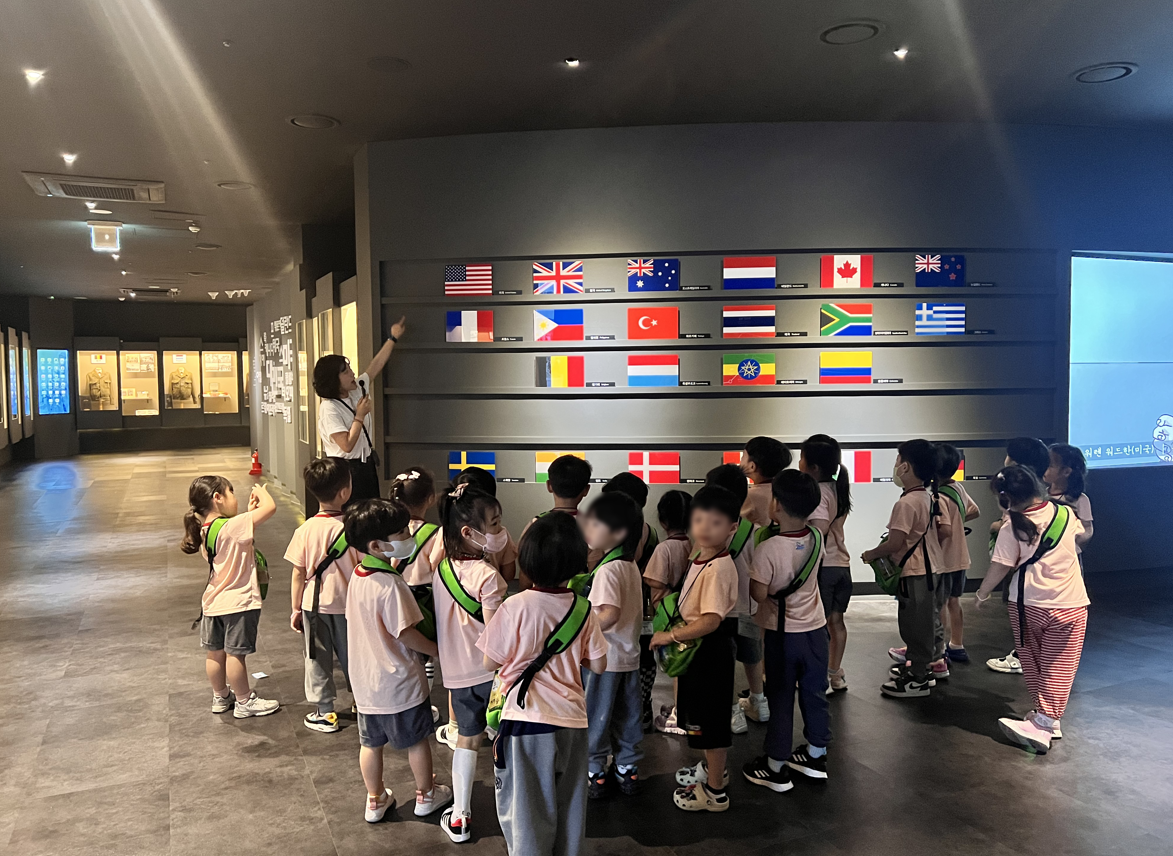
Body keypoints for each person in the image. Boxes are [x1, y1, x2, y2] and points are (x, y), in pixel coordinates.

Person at [478, 512, 608, 856]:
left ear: (527, 561)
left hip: (526, 721)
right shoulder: (583, 610)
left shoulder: (514, 606)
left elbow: (489, 661)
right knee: (570, 807)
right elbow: (599, 663)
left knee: (527, 811)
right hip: (572, 721)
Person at [344, 498, 453, 824]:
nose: (409, 535)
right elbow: (406, 633)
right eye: (402, 532)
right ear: (377, 545)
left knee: (370, 744)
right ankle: (426, 795)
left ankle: (375, 799)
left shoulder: (359, 575)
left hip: (366, 683)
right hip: (399, 682)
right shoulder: (390, 584)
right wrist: (437, 650)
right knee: (417, 741)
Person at [973, 466, 1088, 753]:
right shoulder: (1066, 514)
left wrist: (982, 593)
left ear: (1006, 498)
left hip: (1028, 604)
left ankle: (1043, 724)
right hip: (1071, 603)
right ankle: (1048, 717)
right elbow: (1079, 536)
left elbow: (1000, 566)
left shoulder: (1011, 527)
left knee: (1033, 661)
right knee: (1060, 665)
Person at [651, 485, 740, 813]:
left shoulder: (717, 568)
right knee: (702, 716)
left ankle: (715, 791)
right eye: (699, 519)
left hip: (709, 650)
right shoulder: (701, 556)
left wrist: (669, 636)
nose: (704, 528)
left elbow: (711, 621)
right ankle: (713, 770)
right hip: (699, 649)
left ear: (732, 528)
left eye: (715, 522)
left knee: (711, 723)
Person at [430, 483, 508, 842]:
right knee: (503, 738)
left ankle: (460, 816)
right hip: (490, 673)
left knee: (467, 738)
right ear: (468, 532)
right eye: (494, 524)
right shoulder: (489, 577)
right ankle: (512, 805)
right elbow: (495, 636)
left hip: (457, 674)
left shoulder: (441, 569)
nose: (500, 530)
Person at [743, 469, 829, 792]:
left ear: (776, 505)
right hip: (816, 631)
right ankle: (816, 755)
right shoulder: (817, 538)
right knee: (814, 693)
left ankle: (776, 767)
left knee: (780, 697)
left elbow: (759, 594)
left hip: (783, 635)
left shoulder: (768, 548)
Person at [181, 476, 281, 718]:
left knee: (215, 653)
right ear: (217, 498)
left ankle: (220, 696)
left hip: (213, 602)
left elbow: (238, 533)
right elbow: (270, 508)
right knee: (236, 655)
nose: (235, 497)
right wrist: (261, 491)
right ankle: (244, 701)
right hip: (238, 602)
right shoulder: (233, 526)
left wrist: (248, 512)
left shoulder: (205, 530)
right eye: (232, 492)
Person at [861, 439, 949, 698]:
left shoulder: (906, 503)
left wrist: (871, 554)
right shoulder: (928, 497)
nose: (896, 466)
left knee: (914, 625)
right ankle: (922, 669)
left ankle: (917, 678)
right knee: (926, 622)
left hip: (916, 572)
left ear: (906, 467)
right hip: (931, 569)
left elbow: (895, 543)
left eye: (898, 461)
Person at [285, 458, 360, 733]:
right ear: (345, 492)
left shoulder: (305, 530)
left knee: (317, 657)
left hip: (314, 606)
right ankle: (362, 702)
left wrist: (295, 609)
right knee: (355, 654)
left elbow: (298, 573)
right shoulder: (354, 527)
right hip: (350, 605)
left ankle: (325, 712)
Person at [579, 491, 645, 798]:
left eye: (596, 523)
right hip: (629, 656)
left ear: (618, 533)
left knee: (596, 715)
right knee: (627, 714)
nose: (588, 528)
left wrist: (581, 625)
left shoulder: (607, 570)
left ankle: (595, 770)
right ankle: (627, 766)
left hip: (604, 660)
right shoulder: (629, 565)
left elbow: (609, 613)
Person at [313, 315, 406, 504]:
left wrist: (393, 338)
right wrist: (360, 416)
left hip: (366, 465)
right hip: (344, 470)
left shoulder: (357, 388)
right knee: (352, 514)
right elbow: (346, 445)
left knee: (371, 511)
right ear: (333, 380)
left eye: (350, 369)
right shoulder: (329, 408)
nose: (352, 373)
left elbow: (376, 365)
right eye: (346, 372)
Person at [706, 464, 765, 732]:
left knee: (723, 662)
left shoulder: (711, 529)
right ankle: (759, 702)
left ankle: (732, 712)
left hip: (721, 610)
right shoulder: (755, 530)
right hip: (749, 608)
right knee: (752, 657)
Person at [600, 471, 660, 731]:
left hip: (620, 613)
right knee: (643, 660)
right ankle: (642, 708)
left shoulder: (615, 550)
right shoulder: (651, 533)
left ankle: (620, 717)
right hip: (643, 610)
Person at [987, 437, 1052, 675]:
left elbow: (1017, 528)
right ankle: (1034, 656)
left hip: (1027, 568)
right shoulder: (1044, 491)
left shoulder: (1025, 493)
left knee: (1025, 611)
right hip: (1049, 570)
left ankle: (1023, 656)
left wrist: (998, 527)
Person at [799, 434, 852, 693]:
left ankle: (821, 677)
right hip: (841, 565)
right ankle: (835, 674)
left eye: (801, 459)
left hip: (825, 568)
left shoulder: (818, 493)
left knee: (820, 626)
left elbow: (819, 530)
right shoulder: (837, 488)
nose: (799, 463)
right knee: (837, 622)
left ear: (814, 467)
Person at [643, 489, 693, 736]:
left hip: (669, 616)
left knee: (676, 666)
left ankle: (679, 717)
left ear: (663, 521)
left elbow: (653, 580)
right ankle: (680, 707)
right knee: (687, 662)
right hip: (690, 613)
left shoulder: (664, 549)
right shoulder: (695, 545)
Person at [935, 444, 980, 663]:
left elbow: (943, 530)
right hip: (961, 557)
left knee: (940, 603)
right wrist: (958, 521)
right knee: (954, 601)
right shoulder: (957, 488)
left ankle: (940, 648)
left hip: (943, 558)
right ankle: (957, 644)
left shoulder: (937, 496)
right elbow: (975, 510)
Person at [452, 466, 519, 582]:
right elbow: (508, 574)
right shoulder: (500, 534)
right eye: (494, 522)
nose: (497, 526)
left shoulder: (443, 535)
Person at [740, 436, 790, 527]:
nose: (741, 461)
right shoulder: (783, 491)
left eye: (743, 457)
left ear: (752, 466)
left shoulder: (749, 495)